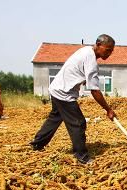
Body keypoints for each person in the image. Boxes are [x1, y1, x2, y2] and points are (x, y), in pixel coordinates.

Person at [30, 34, 116, 164]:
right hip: (64, 94)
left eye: (111, 51)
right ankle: (81, 156)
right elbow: (94, 90)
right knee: (78, 123)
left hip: (57, 89)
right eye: (108, 49)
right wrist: (108, 109)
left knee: (55, 118)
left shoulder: (86, 51)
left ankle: (37, 144)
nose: (109, 53)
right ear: (98, 45)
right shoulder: (91, 61)